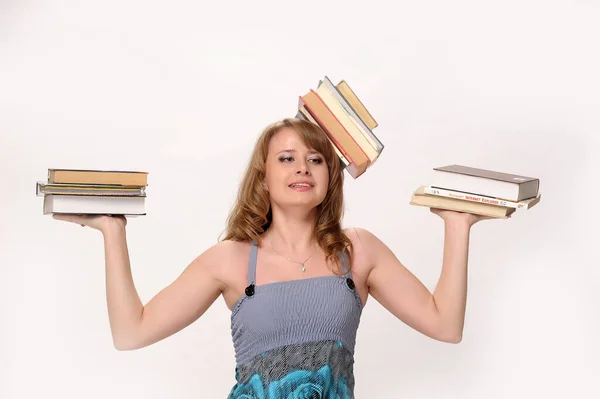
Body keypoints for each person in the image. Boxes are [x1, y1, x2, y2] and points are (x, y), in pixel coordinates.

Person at [53, 117, 490, 398]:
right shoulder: (228, 259)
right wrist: (113, 231)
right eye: (287, 158)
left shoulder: (357, 251)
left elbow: (445, 326)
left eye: (315, 159)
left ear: (330, 177)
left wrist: (457, 225)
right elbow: (131, 332)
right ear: (265, 176)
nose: (302, 167)